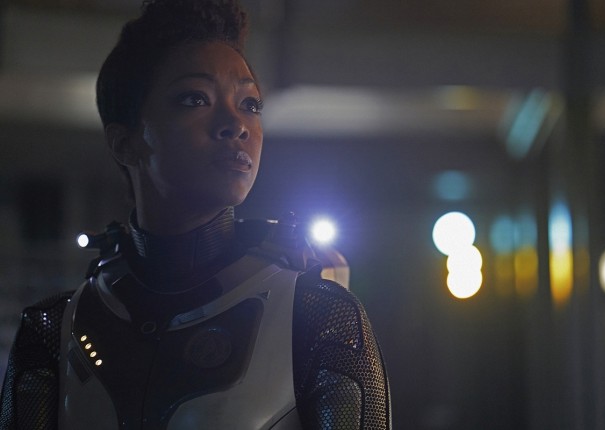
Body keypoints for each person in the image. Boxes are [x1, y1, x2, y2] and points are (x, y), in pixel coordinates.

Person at [0, 0, 391, 429]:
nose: (236, 124)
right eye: (195, 98)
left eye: (250, 104)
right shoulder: (53, 329)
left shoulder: (318, 315)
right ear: (125, 143)